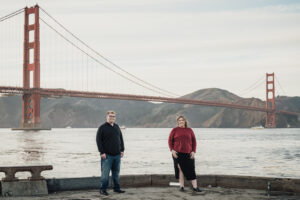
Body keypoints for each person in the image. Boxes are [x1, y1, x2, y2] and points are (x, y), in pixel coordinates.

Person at [168, 115, 202, 192]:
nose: (181, 122)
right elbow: (170, 141)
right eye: (179, 120)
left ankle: (195, 187)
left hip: (188, 153)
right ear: (177, 122)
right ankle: (181, 187)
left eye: (182, 120)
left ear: (185, 121)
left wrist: (193, 151)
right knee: (180, 170)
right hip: (177, 153)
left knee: (191, 170)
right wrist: (172, 150)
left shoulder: (190, 130)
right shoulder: (174, 130)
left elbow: (194, 141)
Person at [96, 110, 125, 196]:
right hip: (107, 156)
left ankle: (116, 188)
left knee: (116, 173)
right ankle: (103, 189)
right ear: (107, 117)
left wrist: (122, 150)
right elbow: (98, 141)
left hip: (117, 155)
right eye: (110, 116)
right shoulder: (102, 127)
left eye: (113, 116)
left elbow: (121, 138)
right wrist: (102, 152)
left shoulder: (117, 126)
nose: (112, 118)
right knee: (105, 175)